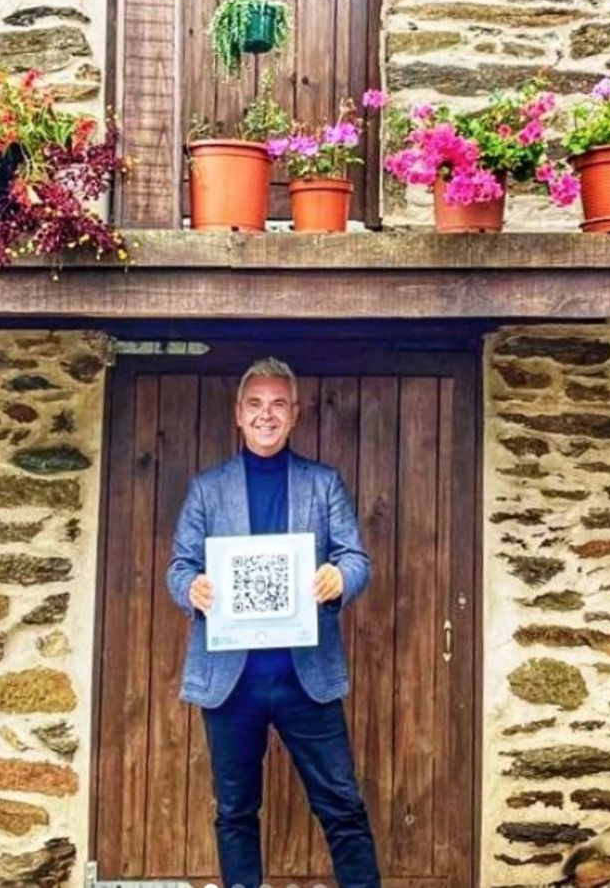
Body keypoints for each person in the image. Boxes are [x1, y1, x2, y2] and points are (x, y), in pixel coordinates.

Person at [166, 356, 381, 888]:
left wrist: (339, 579)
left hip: (305, 677)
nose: (267, 415)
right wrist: (191, 589)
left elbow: (357, 559)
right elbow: (179, 567)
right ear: (238, 414)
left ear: (296, 414)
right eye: (256, 405)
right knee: (235, 812)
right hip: (230, 682)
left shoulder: (323, 484)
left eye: (278, 404)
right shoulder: (207, 488)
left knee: (343, 808)